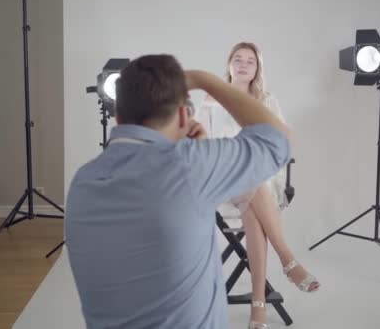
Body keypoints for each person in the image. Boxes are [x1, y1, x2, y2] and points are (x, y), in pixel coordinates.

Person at [65, 54, 293, 329]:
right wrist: (204, 80)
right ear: (185, 114)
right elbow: (280, 140)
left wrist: (200, 156)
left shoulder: (83, 182)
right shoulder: (192, 166)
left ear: (118, 117)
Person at [196, 42, 320, 328]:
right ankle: (287, 262)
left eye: (249, 61)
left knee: (253, 201)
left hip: (259, 182)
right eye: (237, 59)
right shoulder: (211, 100)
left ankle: (258, 307)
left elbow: (280, 143)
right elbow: (199, 145)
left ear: (257, 69)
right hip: (221, 181)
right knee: (250, 180)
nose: (242, 64)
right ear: (228, 64)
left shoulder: (267, 101)